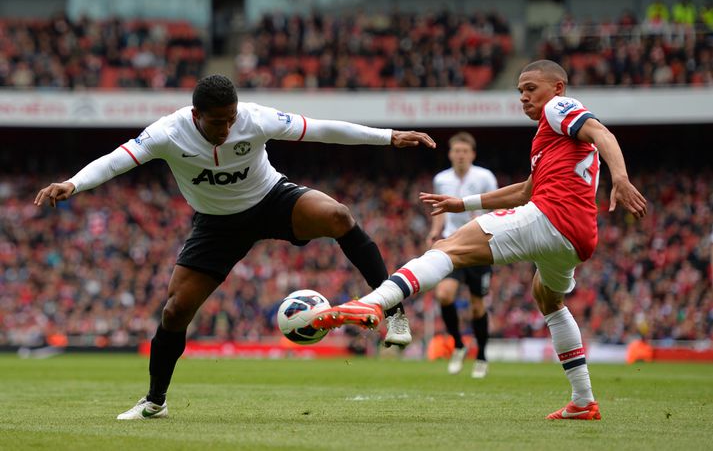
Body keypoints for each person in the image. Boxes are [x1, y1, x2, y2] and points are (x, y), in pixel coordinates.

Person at [34, 74, 434, 420]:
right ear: (196, 115)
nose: (227, 128)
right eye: (218, 122)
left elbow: (321, 129)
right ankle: (155, 402)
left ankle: (393, 310)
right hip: (217, 225)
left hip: (270, 199)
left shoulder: (254, 118)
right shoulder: (168, 132)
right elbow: (116, 160)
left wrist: (388, 137)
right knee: (175, 311)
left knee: (338, 216)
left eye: (231, 119)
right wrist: (73, 183)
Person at [312, 60, 648, 420]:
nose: (523, 97)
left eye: (531, 88)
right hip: (578, 236)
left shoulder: (558, 108)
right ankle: (583, 400)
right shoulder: (553, 139)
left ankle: (373, 304)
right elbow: (525, 191)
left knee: (447, 247)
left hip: (551, 216)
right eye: (520, 91)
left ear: (557, 88)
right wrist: (462, 204)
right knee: (547, 298)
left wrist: (621, 178)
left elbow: (602, 132)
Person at [427, 132, 497, 377]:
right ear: (450, 154)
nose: (460, 155)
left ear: (472, 154)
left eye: (465, 151)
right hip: (453, 244)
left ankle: (482, 356)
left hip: (479, 245)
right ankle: (458, 344)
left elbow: (494, 205)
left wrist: (483, 221)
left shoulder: (485, 177)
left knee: (477, 307)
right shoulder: (441, 179)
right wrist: (434, 232)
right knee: (444, 295)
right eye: (456, 151)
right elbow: (440, 210)